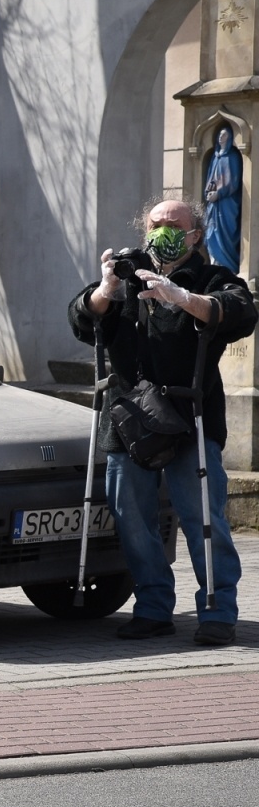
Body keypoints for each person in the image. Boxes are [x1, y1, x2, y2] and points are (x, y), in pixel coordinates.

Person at [69, 198, 256, 645]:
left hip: (190, 416)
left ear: (195, 235)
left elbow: (241, 312)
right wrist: (105, 291)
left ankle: (216, 611)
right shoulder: (127, 273)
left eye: (175, 225)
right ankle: (152, 607)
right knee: (132, 517)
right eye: (156, 225)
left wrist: (184, 298)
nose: (163, 232)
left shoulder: (212, 277)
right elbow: (82, 320)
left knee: (203, 519)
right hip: (130, 419)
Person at [204, 126, 242, 273]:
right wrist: (209, 193)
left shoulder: (232, 157)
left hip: (227, 204)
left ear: (230, 138)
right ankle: (215, 266)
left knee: (226, 234)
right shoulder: (214, 157)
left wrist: (219, 194)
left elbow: (234, 181)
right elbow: (210, 179)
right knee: (210, 233)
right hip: (213, 204)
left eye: (224, 136)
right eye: (220, 135)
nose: (221, 138)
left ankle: (227, 268)